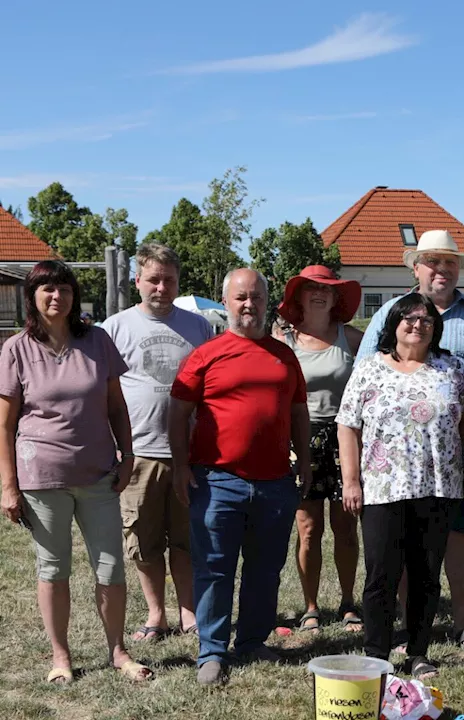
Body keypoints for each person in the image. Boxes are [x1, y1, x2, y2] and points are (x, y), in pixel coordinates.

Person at [0, 260, 153, 684]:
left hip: (99, 475)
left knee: (110, 567)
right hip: (41, 479)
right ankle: (60, 657)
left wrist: (128, 455)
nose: (57, 296)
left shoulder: (98, 341)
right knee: (53, 568)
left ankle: (118, 651)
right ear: (32, 297)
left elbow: (117, 407)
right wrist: (8, 486)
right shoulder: (16, 349)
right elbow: (5, 426)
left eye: (64, 288)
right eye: (47, 289)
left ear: (74, 295)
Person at [357, 229, 464, 653]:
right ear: (416, 268)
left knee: (458, 541)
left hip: (463, 459)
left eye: (450, 263)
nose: (442, 270)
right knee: (401, 548)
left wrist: (456, 441)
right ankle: (407, 629)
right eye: (433, 262)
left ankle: (462, 624)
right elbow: (367, 382)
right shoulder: (390, 313)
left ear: (459, 270)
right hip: (398, 466)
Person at [170, 268, 312, 686]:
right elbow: (178, 412)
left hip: (275, 482)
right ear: (226, 302)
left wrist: (303, 460)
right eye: (241, 298)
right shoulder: (206, 354)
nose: (249, 305)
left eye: (257, 298)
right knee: (214, 568)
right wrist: (180, 465)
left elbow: (299, 411)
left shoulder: (284, 354)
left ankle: (251, 640)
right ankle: (212, 651)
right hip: (217, 480)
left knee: (266, 567)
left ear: (267, 303)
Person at [337, 294, 464, 680]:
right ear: (394, 324)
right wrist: (352, 481)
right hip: (383, 488)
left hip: (437, 489)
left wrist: (439, 448)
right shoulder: (368, 370)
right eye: (410, 319)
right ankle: (376, 654)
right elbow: (348, 425)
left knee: (425, 575)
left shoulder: (451, 368)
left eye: (427, 320)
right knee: (381, 575)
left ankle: (418, 651)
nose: (418, 325)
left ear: (436, 328)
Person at [101, 244, 214, 643]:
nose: (161, 287)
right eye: (153, 279)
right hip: (139, 452)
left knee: (187, 538)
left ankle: (188, 612)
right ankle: (155, 615)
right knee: (144, 540)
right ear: (138, 281)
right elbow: (104, 392)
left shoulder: (199, 327)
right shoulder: (115, 328)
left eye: (169, 279)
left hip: (188, 452)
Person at [275, 265, 364, 634]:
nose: (318, 293)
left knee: (345, 525)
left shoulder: (353, 338)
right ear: (298, 296)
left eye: (326, 289)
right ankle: (311, 607)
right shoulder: (283, 341)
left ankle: (347, 603)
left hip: (345, 437)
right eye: (310, 288)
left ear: (336, 298)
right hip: (300, 439)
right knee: (308, 529)